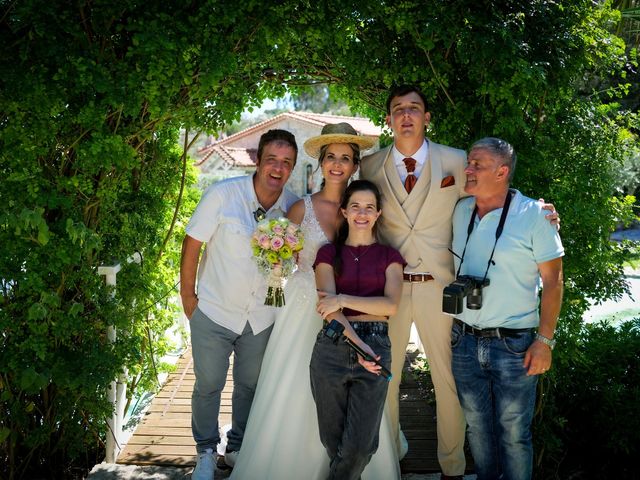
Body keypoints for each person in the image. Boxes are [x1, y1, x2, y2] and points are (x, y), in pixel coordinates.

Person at [359, 84, 559, 479]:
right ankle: (390, 458)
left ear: (427, 117)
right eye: (398, 109)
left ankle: (452, 467)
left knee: (449, 383)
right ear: (388, 119)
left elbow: (496, 190)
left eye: (414, 108)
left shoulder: (455, 161)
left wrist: (541, 211)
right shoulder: (369, 167)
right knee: (386, 377)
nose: (406, 115)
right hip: (390, 290)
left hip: (444, 291)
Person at [230, 123, 401, 479]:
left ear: (355, 165)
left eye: (345, 158)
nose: (337, 164)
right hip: (305, 303)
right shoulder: (300, 208)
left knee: (355, 383)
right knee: (296, 384)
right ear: (321, 163)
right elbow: (284, 260)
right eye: (331, 158)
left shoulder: (363, 206)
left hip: (354, 308)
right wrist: (274, 259)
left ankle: (350, 462)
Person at [180, 129, 299, 480]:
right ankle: (205, 452)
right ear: (258, 160)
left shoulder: (292, 207)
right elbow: (192, 244)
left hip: (261, 317)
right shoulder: (222, 194)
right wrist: (189, 297)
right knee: (209, 384)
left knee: (250, 385)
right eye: (272, 160)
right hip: (215, 311)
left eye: (286, 163)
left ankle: (237, 448)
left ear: (292, 168)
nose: (278, 168)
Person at [450, 137, 564, 480]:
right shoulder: (459, 210)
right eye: (468, 163)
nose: (468, 170)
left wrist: (545, 342)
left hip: (514, 346)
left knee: (514, 436)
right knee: (477, 432)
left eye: (477, 165)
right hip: (464, 342)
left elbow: (554, 282)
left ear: (502, 172)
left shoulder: (534, 215)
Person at [311, 179, 405, 480]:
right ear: (345, 211)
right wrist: (359, 347)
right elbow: (329, 311)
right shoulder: (327, 254)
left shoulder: (391, 257)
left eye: (369, 207)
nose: (362, 213)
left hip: (377, 343)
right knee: (333, 441)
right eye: (355, 207)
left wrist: (343, 299)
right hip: (332, 348)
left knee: (362, 447)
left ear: (378, 213)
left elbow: (390, 305)